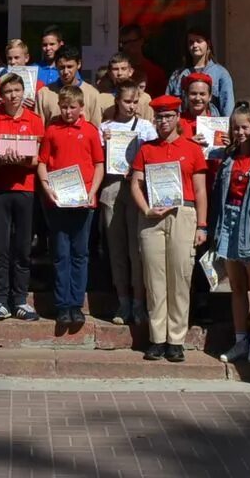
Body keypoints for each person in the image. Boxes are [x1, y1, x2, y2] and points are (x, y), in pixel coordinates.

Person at [130, 95, 208, 363]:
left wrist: (202, 225)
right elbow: (135, 185)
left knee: (180, 277)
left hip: (183, 213)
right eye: (159, 117)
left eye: (168, 116)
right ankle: (157, 338)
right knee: (155, 279)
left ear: (177, 118)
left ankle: (176, 339)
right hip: (152, 216)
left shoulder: (192, 148)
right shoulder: (146, 149)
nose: (163, 122)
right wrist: (146, 210)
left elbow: (200, 190)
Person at [209, 102, 250, 365]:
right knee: (236, 286)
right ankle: (240, 340)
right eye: (235, 127)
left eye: (245, 126)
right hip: (229, 221)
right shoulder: (229, 156)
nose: (240, 132)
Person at [0, 72, 46, 322]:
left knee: (23, 246)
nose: (13, 95)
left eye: (17, 90)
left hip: (26, 189)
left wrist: (24, 160)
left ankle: (20, 299)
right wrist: (0, 158)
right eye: (8, 92)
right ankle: (0, 301)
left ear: (23, 93)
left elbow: (38, 158)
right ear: (0, 95)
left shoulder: (35, 120)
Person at [37, 85, 105, 326]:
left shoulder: (89, 131)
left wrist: (92, 191)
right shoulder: (52, 130)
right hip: (58, 201)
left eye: (72, 107)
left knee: (80, 253)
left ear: (81, 108)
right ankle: (62, 305)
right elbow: (42, 163)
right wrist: (48, 188)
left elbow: (99, 164)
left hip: (83, 201)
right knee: (60, 253)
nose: (67, 111)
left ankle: (76, 304)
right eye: (63, 107)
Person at [99, 81, 155, 325]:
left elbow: (154, 155)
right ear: (116, 102)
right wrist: (105, 143)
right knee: (117, 247)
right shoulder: (105, 127)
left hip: (137, 188)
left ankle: (139, 303)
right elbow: (96, 160)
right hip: (112, 187)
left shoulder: (145, 127)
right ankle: (123, 302)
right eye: (126, 102)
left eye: (135, 102)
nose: (131, 106)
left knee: (137, 249)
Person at [166, 30, 234, 117]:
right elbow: (168, 105)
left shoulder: (221, 74)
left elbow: (227, 107)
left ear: (208, 43)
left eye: (199, 41)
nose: (194, 45)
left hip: (212, 126)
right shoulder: (177, 75)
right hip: (184, 126)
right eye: (191, 42)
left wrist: (226, 128)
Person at [36, 45, 104, 124]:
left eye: (70, 67)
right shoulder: (44, 93)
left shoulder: (92, 94)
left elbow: (96, 128)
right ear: (56, 65)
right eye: (62, 67)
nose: (65, 72)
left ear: (78, 64)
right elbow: (39, 128)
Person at [118, 23, 167, 96]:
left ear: (141, 41)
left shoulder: (155, 72)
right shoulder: (118, 71)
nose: (128, 46)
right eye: (124, 43)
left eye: (132, 42)